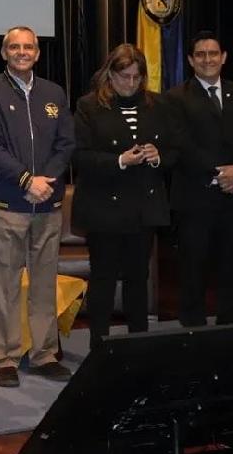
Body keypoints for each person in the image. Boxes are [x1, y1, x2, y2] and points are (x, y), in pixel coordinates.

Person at [0, 26, 75, 388]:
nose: (22, 52)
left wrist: (45, 182)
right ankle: (5, 358)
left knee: (44, 284)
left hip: (47, 206)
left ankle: (44, 354)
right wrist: (27, 180)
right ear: (4, 53)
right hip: (6, 204)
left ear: (38, 53)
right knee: (4, 287)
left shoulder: (53, 93)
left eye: (28, 47)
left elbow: (66, 144)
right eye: (14, 47)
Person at [72, 44, 173, 350]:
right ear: (110, 74)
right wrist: (119, 160)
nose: (130, 83)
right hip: (104, 207)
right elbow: (79, 156)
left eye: (136, 77)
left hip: (143, 208)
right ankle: (99, 345)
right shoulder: (89, 106)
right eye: (124, 76)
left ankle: (138, 344)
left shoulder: (158, 104)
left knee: (137, 279)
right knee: (103, 279)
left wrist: (158, 156)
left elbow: (177, 150)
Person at [165, 30, 233, 327]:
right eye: (200, 54)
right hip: (195, 201)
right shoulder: (175, 98)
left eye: (213, 53)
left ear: (223, 57)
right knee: (192, 273)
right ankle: (193, 335)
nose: (207, 59)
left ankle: (230, 333)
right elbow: (181, 144)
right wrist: (222, 173)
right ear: (190, 60)